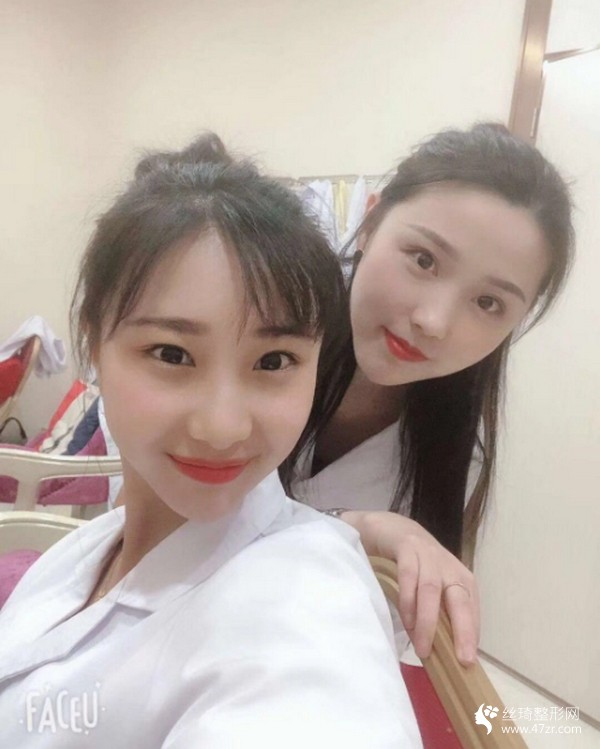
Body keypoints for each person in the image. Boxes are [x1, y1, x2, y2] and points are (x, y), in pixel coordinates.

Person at [0, 135, 422, 747]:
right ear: (93, 341)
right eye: (172, 354)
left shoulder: (305, 608)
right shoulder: (86, 549)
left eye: (274, 361)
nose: (223, 428)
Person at [283, 123, 575, 665]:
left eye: (488, 303)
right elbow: (169, 515)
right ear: (370, 223)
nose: (434, 322)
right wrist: (356, 529)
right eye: (423, 260)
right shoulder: (267, 322)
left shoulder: (456, 451)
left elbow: (384, 633)